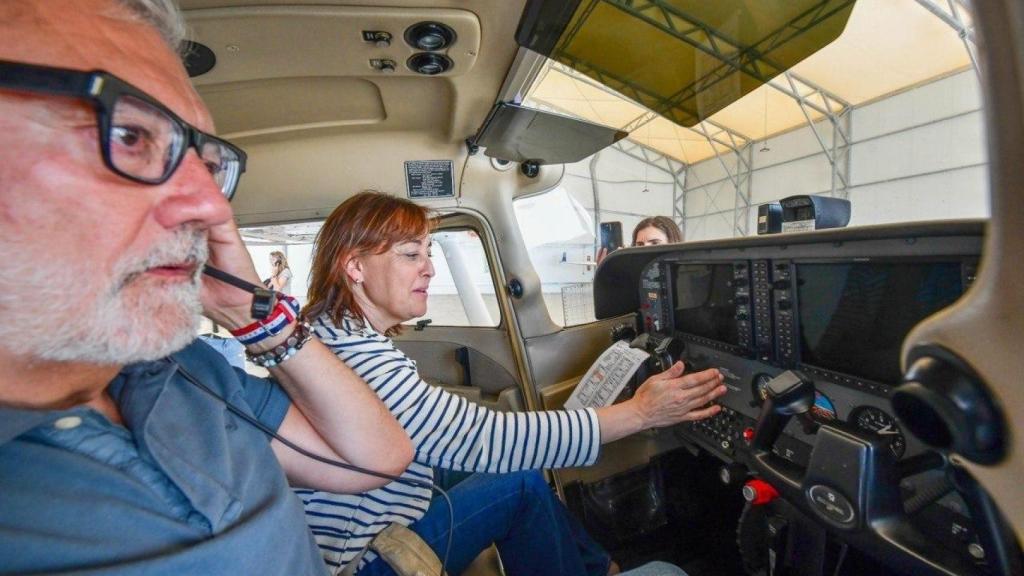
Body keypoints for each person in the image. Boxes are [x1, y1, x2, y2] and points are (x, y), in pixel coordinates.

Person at [0, 2, 414, 574]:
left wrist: (254, 315)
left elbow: (374, 459)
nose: (211, 206)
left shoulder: (183, 369)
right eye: (130, 134)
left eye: (205, 163)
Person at [299, 192, 727, 575]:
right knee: (517, 479)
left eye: (429, 252)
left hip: (377, 517)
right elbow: (484, 437)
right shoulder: (354, 356)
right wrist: (640, 412)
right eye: (411, 254)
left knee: (509, 467)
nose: (430, 268)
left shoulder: (334, 334)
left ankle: (599, 569)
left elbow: (448, 433)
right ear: (354, 266)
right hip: (363, 559)